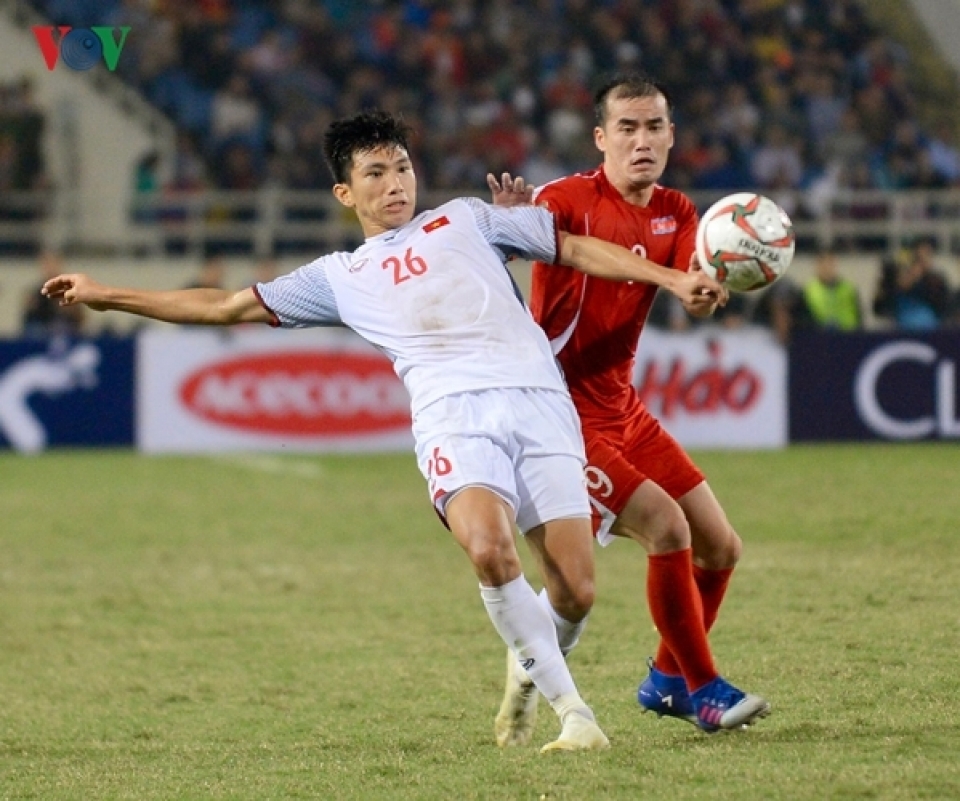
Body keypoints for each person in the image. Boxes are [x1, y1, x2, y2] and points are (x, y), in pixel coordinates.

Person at [42, 110, 723, 753]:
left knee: (576, 588)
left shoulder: (469, 220)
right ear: (345, 190)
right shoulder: (340, 276)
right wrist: (107, 293)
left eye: (401, 168)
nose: (394, 183)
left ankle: (528, 665)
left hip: (541, 405)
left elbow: (574, 245)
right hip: (454, 416)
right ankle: (575, 713)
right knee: (489, 550)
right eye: (375, 173)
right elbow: (221, 305)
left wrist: (670, 276)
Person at [487, 73, 770, 742]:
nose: (641, 140)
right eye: (627, 128)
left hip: (621, 404)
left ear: (672, 135)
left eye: (654, 127)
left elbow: (689, 277)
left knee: (720, 545)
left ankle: (667, 679)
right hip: (558, 410)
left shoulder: (677, 209)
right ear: (600, 138)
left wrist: (700, 291)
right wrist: (510, 225)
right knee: (665, 528)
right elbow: (591, 257)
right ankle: (703, 691)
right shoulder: (564, 199)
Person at [802, 248, 861, 330]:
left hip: (847, 337)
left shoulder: (848, 289)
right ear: (817, 265)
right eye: (823, 263)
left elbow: (858, 317)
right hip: (819, 338)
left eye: (830, 263)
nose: (827, 267)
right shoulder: (809, 290)